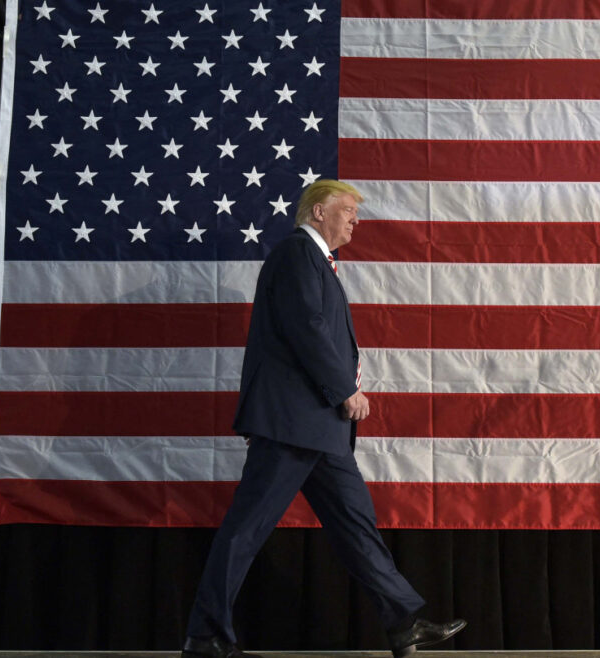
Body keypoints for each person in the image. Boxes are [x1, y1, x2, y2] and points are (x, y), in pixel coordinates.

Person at [181, 180, 466, 658]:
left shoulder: (316, 261)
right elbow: (306, 328)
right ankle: (205, 634)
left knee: (357, 528)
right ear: (318, 212)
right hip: (293, 423)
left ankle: (403, 624)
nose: (356, 220)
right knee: (246, 529)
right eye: (348, 210)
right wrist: (346, 389)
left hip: (319, 427)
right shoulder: (297, 253)